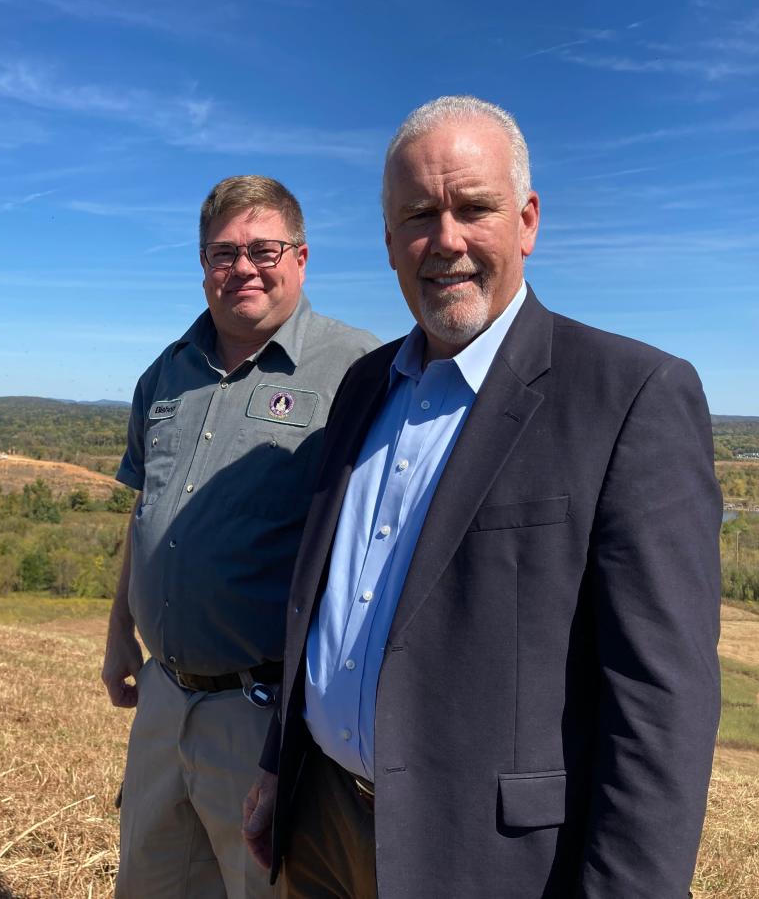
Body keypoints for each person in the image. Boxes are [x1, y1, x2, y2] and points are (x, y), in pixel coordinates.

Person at [243, 96, 722, 898]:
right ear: (389, 239)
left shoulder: (632, 394)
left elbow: (659, 707)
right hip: (321, 823)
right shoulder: (365, 385)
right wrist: (276, 764)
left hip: (484, 863)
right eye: (420, 215)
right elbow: (323, 606)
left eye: (475, 208)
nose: (447, 240)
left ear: (527, 221)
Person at [104, 175, 378, 898]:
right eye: (224, 253)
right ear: (202, 265)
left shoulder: (358, 370)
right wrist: (116, 638)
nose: (244, 267)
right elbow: (145, 516)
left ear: (302, 257)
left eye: (264, 248)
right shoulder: (165, 375)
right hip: (163, 700)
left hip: (265, 717)